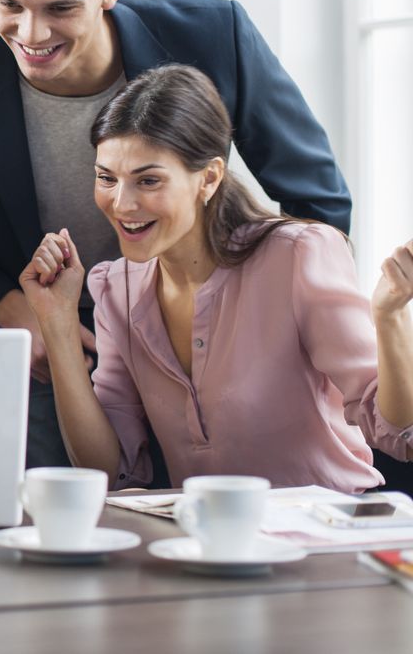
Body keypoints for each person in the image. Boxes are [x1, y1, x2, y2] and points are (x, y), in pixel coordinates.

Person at [0, 0, 350, 470]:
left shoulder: (216, 37)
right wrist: (7, 307)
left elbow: (318, 200)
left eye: (61, 8)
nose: (30, 33)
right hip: (60, 343)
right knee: (71, 515)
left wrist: (265, 321)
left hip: (214, 336)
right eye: (9, 4)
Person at [20, 64, 413, 492]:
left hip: (328, 524)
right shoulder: (117, 288)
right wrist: (57, 321)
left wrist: (389, 316)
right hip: (209, 531)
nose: (122, 204)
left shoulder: (298, 255)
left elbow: (396, 430)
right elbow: (108, 470)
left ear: (208, 178)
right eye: (106, 178)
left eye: (148, 180)